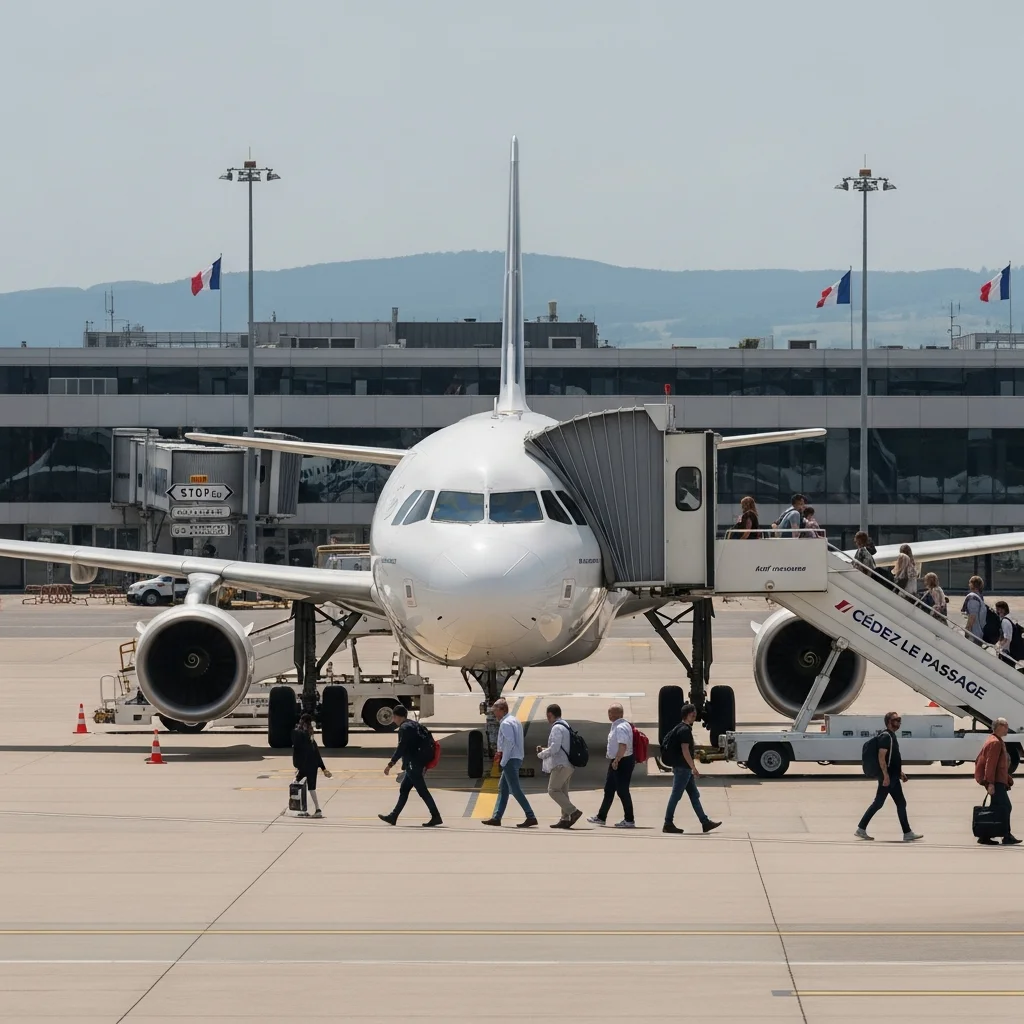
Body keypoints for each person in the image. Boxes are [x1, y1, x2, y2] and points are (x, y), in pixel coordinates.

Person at [855, 711, 923, 842]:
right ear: (888, 722)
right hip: (888, 778)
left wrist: (900, 773)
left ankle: (906, 832)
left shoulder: (891, 736)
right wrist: (885, 776)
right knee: (885, 803)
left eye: (899, 720)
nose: (898, 723)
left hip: (892, 776)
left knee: (891, 803)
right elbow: (882, 758)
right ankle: (861, 829)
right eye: (895, 720)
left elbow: (892, 758)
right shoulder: (886, 737)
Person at [662, 704, 721, 835]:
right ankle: (668, 823)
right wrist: (693, 767)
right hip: (683, 768)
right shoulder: (684, 730)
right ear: (686, 715)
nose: (694, 716)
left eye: (695, 714)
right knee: (675, 796)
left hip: (684, 768)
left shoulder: (679, 728)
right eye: (692, 714)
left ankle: (705, 822)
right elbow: (685, 750)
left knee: (694, 796)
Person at [379, 705, 442, 827]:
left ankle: (436, 816)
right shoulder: (414, 724)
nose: (393, 719)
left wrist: (390, 764)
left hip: (414, 764)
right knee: (404, 789)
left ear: (397, 716)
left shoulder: (404, 728)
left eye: (393, 717)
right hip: (417, 762)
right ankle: (393, 816)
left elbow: (401, 748)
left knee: (422, 791)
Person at [482, 698, 538, 828]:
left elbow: (509, 743)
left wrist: (504, 760)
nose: (494, 713)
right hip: (516, 758)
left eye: (495, 711)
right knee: (503, 787)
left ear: (502, 710)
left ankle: (530, 816)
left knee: (515, 789)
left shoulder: (506, 724)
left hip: (510, 759)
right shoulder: (514, 720)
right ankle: (497, 817)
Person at [588, 703, 636, 828]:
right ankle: (601, 817)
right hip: (617, 760)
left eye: (612, 713)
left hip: (621, 761)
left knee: (622, 791)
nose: (609, 715)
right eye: (609, 712)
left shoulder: (620, 727)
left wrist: (616, 760)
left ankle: (629, 820)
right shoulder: (619, 725)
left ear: (619, 714)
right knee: (609, 789)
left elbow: (623, 745)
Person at [536, 703, 582, 829]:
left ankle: (573, 811)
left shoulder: (556, 728)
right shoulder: (565, 725)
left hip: (561, 765)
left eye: (547, 716)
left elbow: (555, 748)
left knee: (553, 790)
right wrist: (545, 749)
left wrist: (542, 754)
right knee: (562, 791)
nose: (547, 719)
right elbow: (560, 747)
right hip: (568, 764)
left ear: (550, 715)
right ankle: (565, 818)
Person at [975, 717, 1020, 845]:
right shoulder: (995, 742)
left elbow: (1000, 765)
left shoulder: (996, 740)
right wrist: (990, 783)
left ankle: (985, 836)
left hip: (998, 780)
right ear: (999, 727)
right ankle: (1006, 836)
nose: (1007, 728)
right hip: (995, 782)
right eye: (1005, 726)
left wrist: (1007, 778)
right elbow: (991, 764)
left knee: (996, 808)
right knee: (1006, 807)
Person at [292, 713, 332, 818]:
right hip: (313, 765)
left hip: (305, 765)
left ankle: (300, 809)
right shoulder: (310, 736)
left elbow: (297, 749)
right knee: (311, 788)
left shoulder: (299, 734)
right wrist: (323, 768)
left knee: (296, 784)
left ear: (302, 721)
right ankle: (317, 809)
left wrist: (298, 766)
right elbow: (316, 752)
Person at [962, 575, 987, 644]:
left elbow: (972, 616)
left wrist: (967, 630)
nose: (969, 584)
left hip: (974, 635)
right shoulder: (979, 597)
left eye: (970, 583)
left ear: (972, 584)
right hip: (979, 634)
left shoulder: (973, 598)